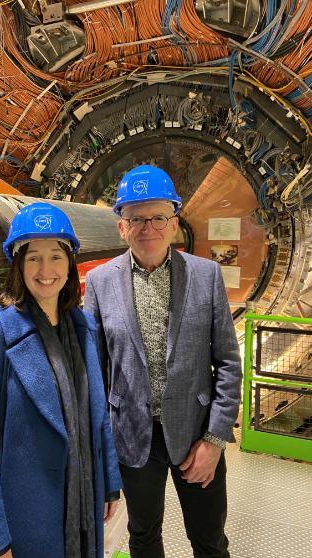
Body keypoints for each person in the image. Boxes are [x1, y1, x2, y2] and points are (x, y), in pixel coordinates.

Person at [84, 165, 242, 558]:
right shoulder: (101, 283)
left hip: (196, 434)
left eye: (158, 217)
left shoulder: (206, 276)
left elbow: (227, 363)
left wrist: (215, 440)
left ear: (174, 224)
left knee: (209, 541)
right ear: (122, 227)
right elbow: (95, 373)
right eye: (136, 218)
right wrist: (101, 456)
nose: (147, 228)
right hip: (133, 439)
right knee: (143, 538)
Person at [0, 202, 121, 558]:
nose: (45, 269)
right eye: (33, 257)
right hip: (22, 519)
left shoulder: (84, 329)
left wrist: (109, 481)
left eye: (56, 256)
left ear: (70, 264)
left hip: (81, 504)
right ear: (18, 265)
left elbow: (97, 415)